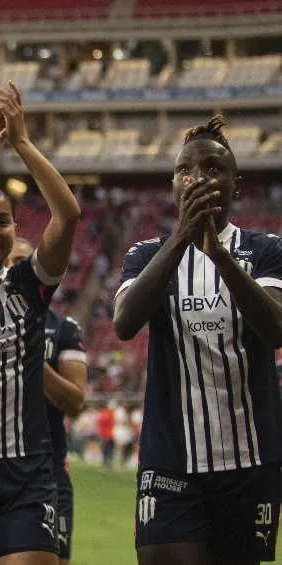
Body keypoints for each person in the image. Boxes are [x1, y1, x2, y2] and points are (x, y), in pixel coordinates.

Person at [113, 115, 282, 565]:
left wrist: (221, 259)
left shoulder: (266, 251)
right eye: (186, 170)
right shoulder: (146, 254)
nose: (198, 179)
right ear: (173, 183)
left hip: (249, 460)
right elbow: (125, 323)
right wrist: (182, 239)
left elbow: (276, 328)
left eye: (212, 169)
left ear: (236, 185)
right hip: (171, 461)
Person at [0, 82, 81, 565]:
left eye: (3, 222)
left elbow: (67, 215)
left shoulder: (28, 286)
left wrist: (22, 143)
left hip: (26, 472)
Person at [8, 238, 87, 565]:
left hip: (47, 470)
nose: (17, 270)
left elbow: (74, 402)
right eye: (12, 261)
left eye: (26, 263)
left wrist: (28, 355)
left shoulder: (63, 329)